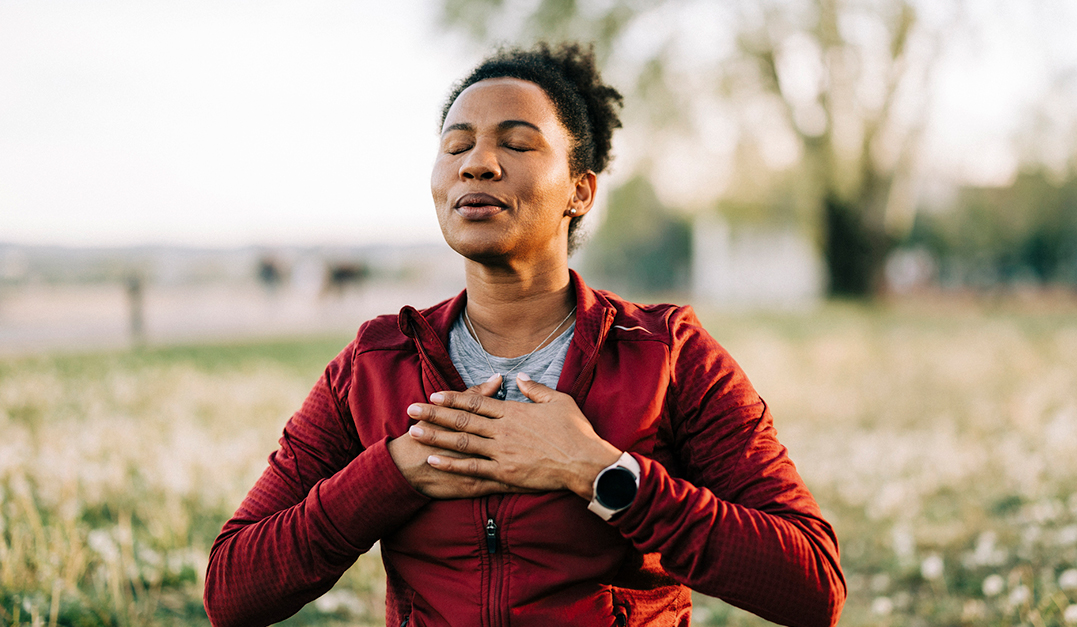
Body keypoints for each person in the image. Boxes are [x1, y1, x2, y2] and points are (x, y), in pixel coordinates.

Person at [204, 42, 845, 627]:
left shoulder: (666, 355)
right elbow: (231, 592)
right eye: (456, 146)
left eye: (516, 143)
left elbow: (813, 585)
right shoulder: (375, 364)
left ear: (579, 191)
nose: (477, 163)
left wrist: (600, 472)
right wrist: (392, 474)